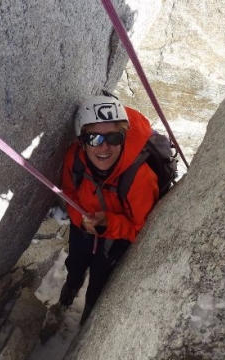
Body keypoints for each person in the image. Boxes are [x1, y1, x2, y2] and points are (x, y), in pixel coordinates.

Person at [59, 93, 160, 325]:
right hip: (82, 231)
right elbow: (70, 195)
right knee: (74, 265)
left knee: (99, 284)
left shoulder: (140, 178)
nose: (104, 147)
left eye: (114, 137)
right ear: (82, 141)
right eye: (94, 138)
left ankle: (87, 325)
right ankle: (70, 289)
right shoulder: (73, 160)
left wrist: (109, 224)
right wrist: (80, 219)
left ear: (124, 138)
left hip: (114, 244)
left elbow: (142, 230)